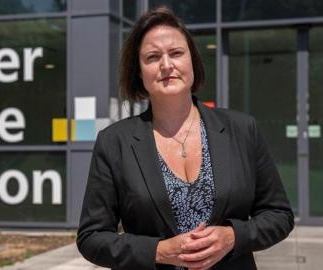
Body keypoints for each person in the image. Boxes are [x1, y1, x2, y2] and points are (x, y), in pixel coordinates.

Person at [76, 5, 294, 270]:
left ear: (193, 60)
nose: (166, 65)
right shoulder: (114, 142)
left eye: (176, 53)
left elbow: (279, 215)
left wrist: (233, 237)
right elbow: (91, 237)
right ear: (139, 72)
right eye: (153, 57)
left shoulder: (242, 129)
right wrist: (157, 251)